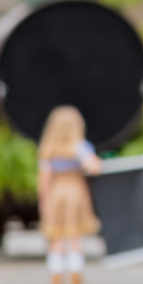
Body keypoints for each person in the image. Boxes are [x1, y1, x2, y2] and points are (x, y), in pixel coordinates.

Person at [37, 106, 101, 284]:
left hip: (55, 193)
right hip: (76, 191)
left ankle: (56, 276)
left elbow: (44, 180)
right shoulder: (81, 147)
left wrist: (43, 201)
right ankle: (75, 275)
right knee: (75, 237)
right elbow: (94, 167)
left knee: (55, 237)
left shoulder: (48, 149)